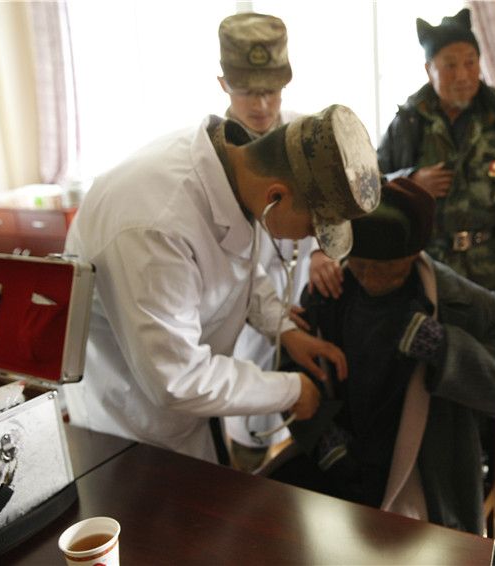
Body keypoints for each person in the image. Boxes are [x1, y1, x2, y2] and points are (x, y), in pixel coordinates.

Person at [61, 103, 381, 463]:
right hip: (131, 424)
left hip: (188, 413)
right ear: (277, 197)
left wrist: (283, 328)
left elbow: (240, 267)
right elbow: (177, 379)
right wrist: (291, 390)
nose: (309, 239)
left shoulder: (237, 172)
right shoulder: (157, 227)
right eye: (311, 228)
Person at [267, 178, 495, 535]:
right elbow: (289, 370)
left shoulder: (469, 306)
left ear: (413, 256)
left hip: (429, 483)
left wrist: (443, 346)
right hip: (339, 469)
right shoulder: (328, 292)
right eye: (361, 265)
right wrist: (324, 442)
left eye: (384, 269)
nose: (370, 278)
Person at [377, 7, 495, 328]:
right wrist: (410, 181)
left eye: (471, 62)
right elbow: (372, 187)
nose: (462, 75)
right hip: (428, 279)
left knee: (493, 357)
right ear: (429, 69)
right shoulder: (406, 126)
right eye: (450, 65)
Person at [214, 12, 318, 470]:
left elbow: (335, 210)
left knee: (309, 430)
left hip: (306, 296)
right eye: (247, 92)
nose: (261, 105)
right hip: (247, 311)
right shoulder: (213, 157)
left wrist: (325, 254)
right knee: (251, 428)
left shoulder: (305, 138)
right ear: (223, 84)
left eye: (272, 91)